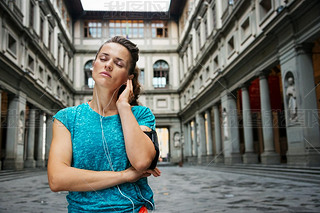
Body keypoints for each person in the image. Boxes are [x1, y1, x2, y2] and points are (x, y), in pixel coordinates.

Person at [47, 36, 161, 213]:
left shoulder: (140, 115)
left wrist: (123, 106)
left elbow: (141, 162)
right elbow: (57, 179)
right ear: (94, 65)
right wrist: (124, 175)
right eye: (103, 58)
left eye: (119, 63)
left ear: (128, 78)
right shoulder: (67, 118)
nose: (108, 65)